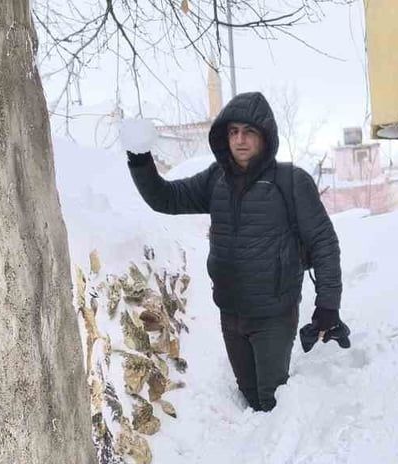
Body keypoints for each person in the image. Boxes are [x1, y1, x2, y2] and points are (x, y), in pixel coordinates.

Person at [123, 91, 347, 412]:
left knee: (272, 401)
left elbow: (324, 244)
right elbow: (165, 199)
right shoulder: (217, 179)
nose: (240, 140)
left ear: (265, 136)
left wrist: (328, 306)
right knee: (249, 395)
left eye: (249, 132)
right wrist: (140, 159)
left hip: (274, 315)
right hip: (231, 313)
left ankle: (275, 458)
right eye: (233, 132)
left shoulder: (291, 181)